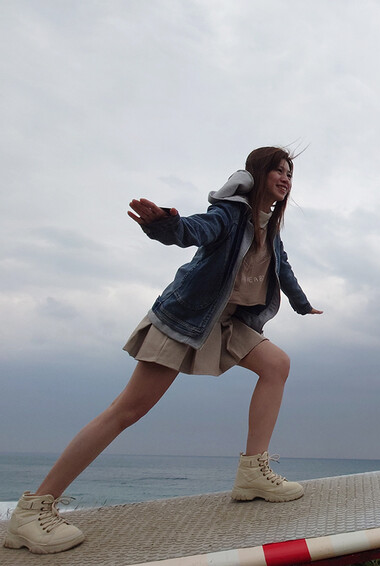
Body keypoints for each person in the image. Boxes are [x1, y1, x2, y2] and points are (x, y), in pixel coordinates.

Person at [3, 147, 322, 555]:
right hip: (186, 318)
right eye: (278, 170)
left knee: (277, 364)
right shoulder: (230, 215)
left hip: (226, 324)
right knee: (127, 410)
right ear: (257, 174)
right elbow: (194, 230)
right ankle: (33, 509)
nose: (285, 178)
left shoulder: (269, 229)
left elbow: (282, 268)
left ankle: (252, 474)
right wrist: (164, 224)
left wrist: (300, 303)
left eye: (290, 174)